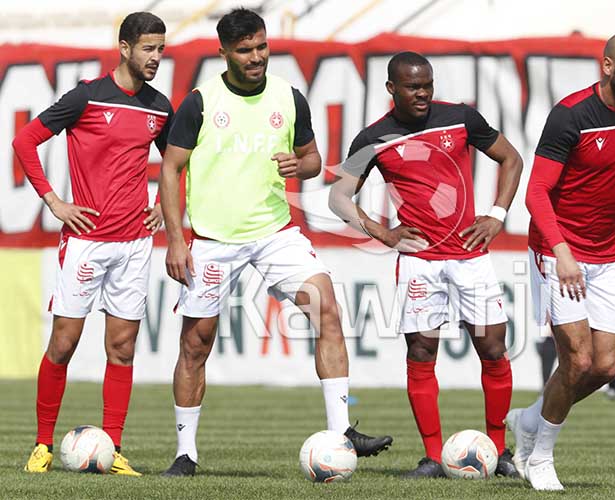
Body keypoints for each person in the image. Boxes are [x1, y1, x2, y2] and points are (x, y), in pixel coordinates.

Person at [158, 8, 392, 477]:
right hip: (212, 239)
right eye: (245, 50)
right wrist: (177, 240)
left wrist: (299, 166)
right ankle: (186, 453)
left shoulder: (289, 96)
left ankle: (341, 430)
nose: (256, 57)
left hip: (274, 233)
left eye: (261, 46)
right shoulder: (200, 103)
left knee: (326, 306)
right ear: (224, 52)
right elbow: (170, 168)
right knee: (195, 344)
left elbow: (312, 160)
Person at [329, 51, 524, 478]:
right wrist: (384, 233)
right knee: (421, 351)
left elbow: (512, 159)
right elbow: (339, 197)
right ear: (391, 89)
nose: (422, 93)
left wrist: (497, 214)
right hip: (419, 262)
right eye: (413, 87)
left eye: (427, 85)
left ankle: (499, 450)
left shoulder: (462, 119)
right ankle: (433, 457)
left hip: (471, 257)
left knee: (492, 348)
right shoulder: (373, 138)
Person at [12, 12, 171, 476]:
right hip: (85, 241)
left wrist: (163, 201)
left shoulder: (160, 107)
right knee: (64, 343)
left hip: (135, 244)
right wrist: (53, 201)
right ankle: (43, 443)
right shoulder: (86, 96)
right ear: (124, 48)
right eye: (148, 49)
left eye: (161, 49)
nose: (156, 58)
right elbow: (25, 141)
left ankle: (113, 448)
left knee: (122, 348)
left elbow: (181, 160)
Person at [507, 32, 615, 490]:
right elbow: (536, 193)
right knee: (576, 359)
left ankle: (530, 418)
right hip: (558, 251)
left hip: (609, 251)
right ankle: (541, 458)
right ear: (608, 66)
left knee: (606, 367)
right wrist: (562, 253)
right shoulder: (570, 115)